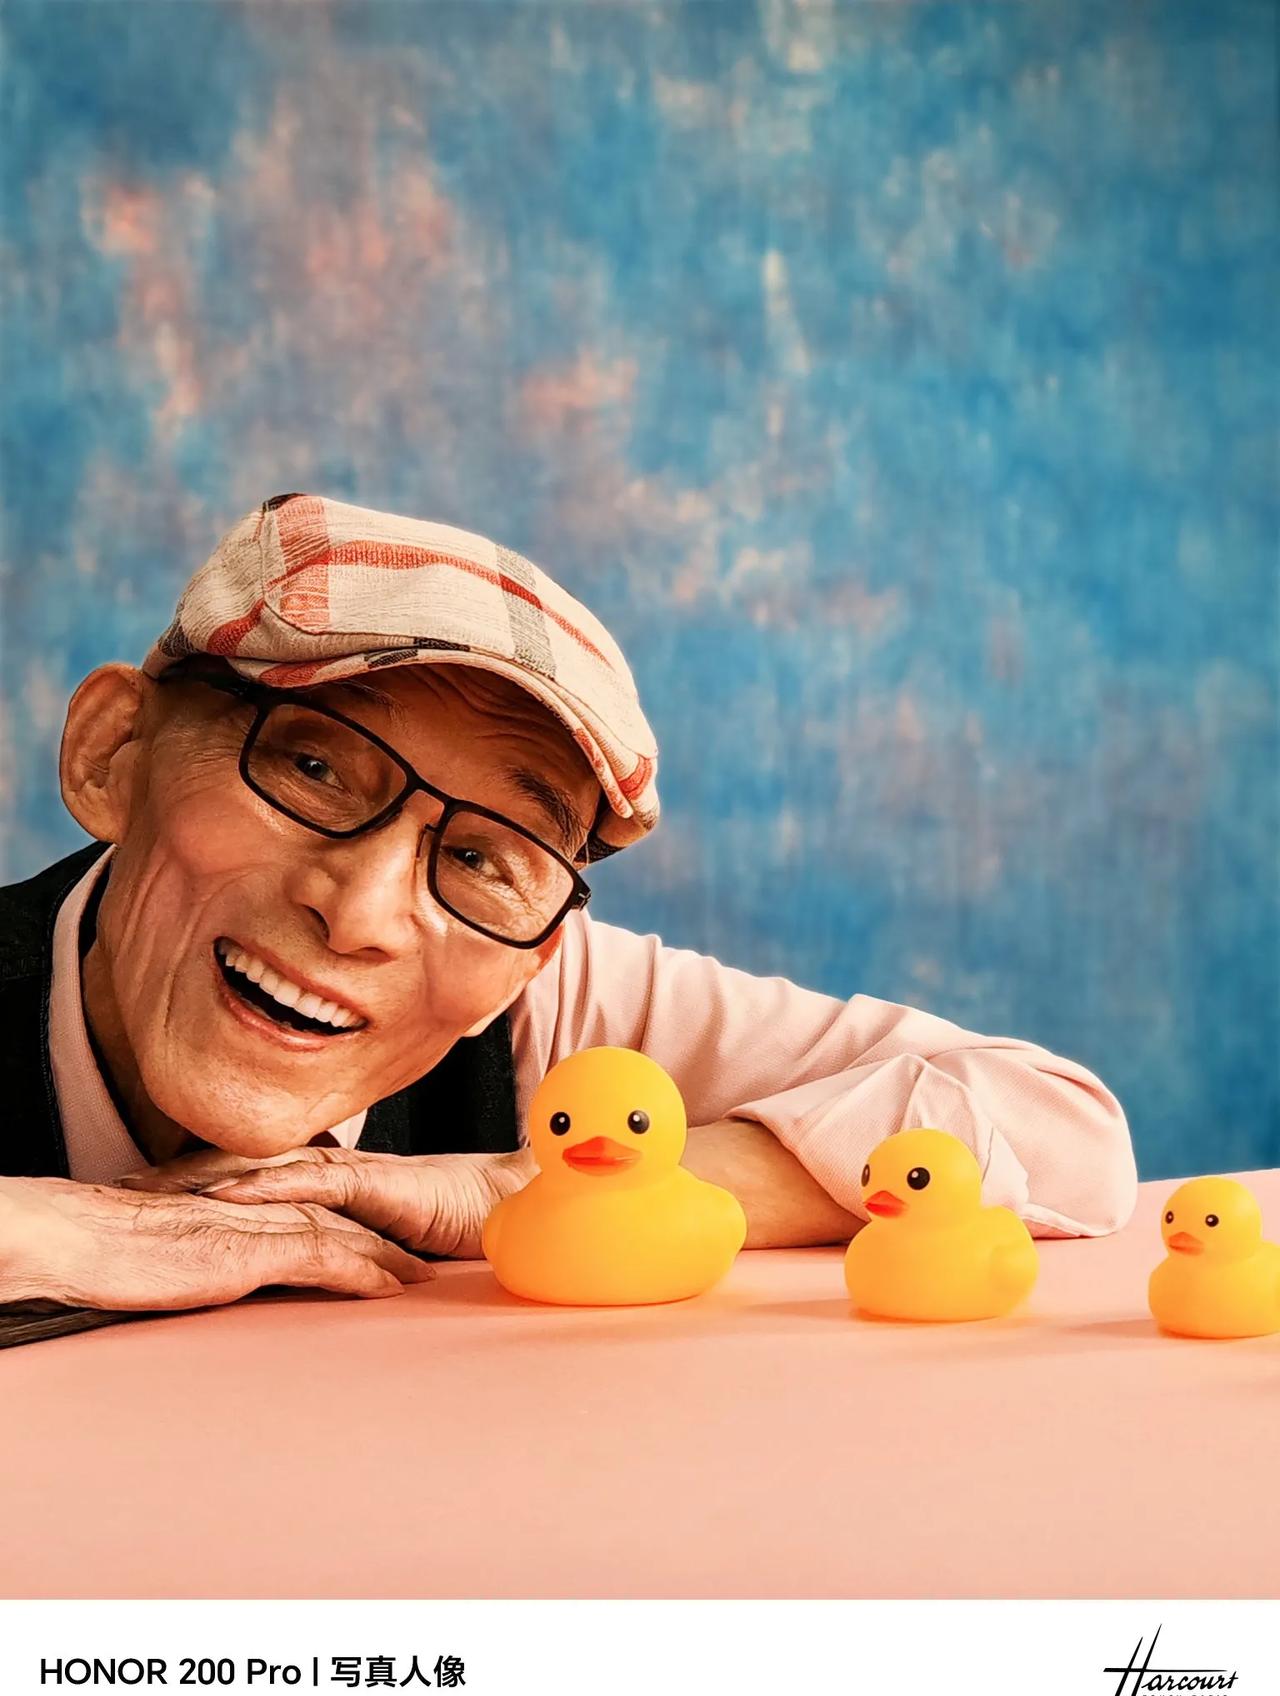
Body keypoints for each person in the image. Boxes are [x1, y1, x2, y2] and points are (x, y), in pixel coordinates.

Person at [0, 493, 1138, 1316]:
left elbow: (1062, 1129)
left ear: (534, 957)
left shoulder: (541, 999)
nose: (362, 915)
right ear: (116, 755)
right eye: (313, 768)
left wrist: (520, 1184)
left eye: (482, 855)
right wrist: (41, 1232)